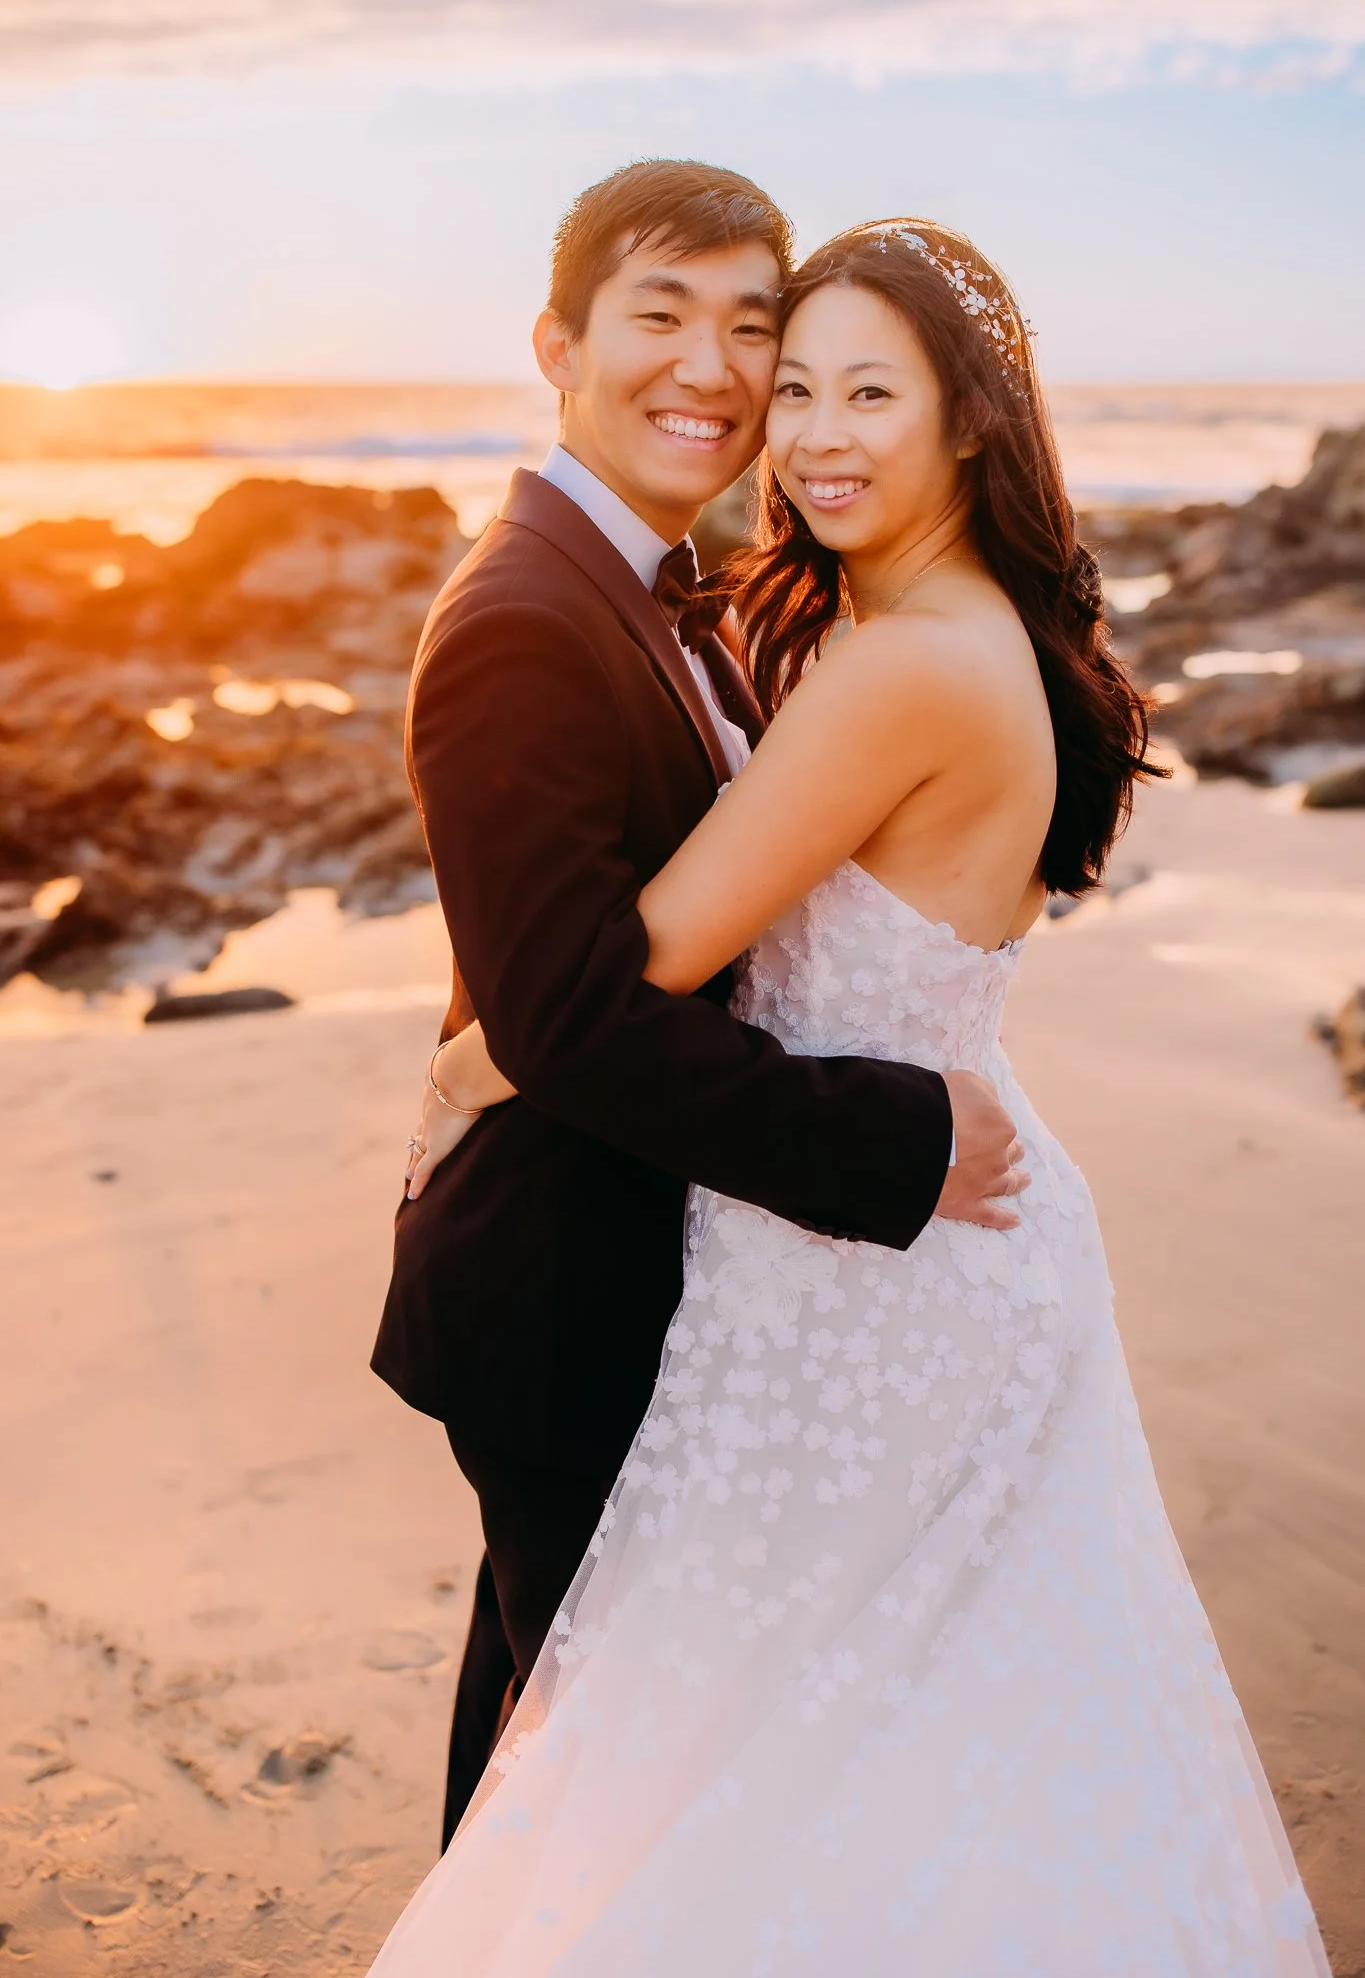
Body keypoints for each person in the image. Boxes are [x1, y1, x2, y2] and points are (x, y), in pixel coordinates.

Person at [371, 217, 1327, 1974]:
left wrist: (473, 1053)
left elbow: (636, 960)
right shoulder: (904, 627)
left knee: (742, 1749)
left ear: (968, 420)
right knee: (819, 1727)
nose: (806, 428)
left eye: (862, 389)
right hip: (895, 1253)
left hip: (874, 1265)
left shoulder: (900, 662)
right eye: (790, 382)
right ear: (562, 345)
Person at [370, 161, 1025, 1850]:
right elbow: (576, 1014)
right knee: (603, 1785)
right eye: (660, 318)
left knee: (543, 1750)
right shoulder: (523, 617)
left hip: (648, 1270)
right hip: (560, 1285)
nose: (716, 371)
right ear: (558, 347)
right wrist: (897, 1136)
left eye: (757, 331)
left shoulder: (684, 594)